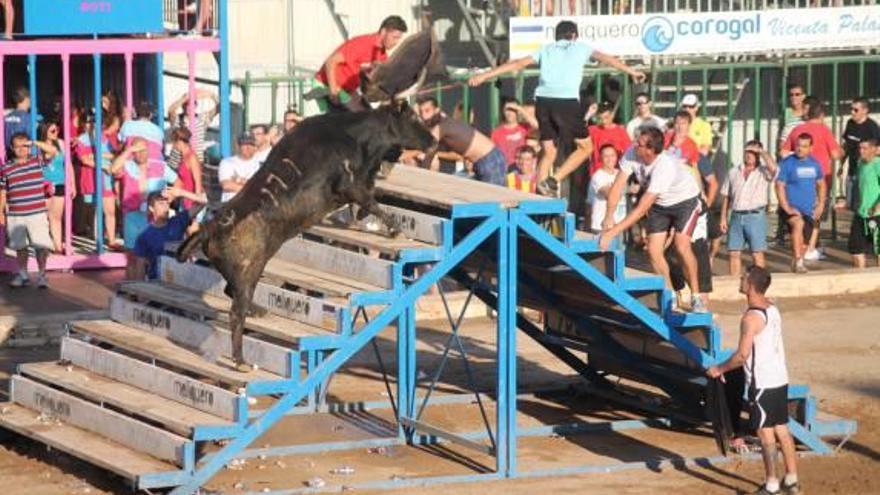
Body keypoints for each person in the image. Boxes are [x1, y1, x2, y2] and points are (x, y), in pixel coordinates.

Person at [467, 20, 645, 196]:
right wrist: (631, 71)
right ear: (574, 35)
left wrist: (484, 76)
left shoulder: (546, 49)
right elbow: (606, 58)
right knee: (586, 148)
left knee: (549, 151)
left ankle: (539, 194)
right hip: (566, 101)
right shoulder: (580, 47)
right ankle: (553, 180)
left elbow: (518, 64)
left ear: (556, 36)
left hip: (543, 101)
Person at [708, 265, 801, 495]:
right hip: (779, 378)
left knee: (765, 432)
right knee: (781, 428)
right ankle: (791, 480)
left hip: (762, 383)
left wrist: (719, 369)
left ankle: (771, 485)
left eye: (743, 278)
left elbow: (741, 355)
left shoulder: (751, 317)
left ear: (750, 285)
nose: (740, 280)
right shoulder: (773, 309)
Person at [599, 127, 707, 312]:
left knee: (682, 245)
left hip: (685, 202)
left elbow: (641, 208)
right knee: (653, 250)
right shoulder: (631, 154)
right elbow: (617, 187)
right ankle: (670, 295)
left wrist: (613, 232)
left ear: (650, 151)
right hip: (660, 204)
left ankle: (696, 296)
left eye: (639, 144)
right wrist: (608, 216)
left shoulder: (664, 167)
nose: (634, 145)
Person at [782, 97, 842, 261]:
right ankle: (809, 249)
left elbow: (784, 152)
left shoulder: (798, 130)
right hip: (819, 178)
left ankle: (801, 249)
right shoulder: (824, 130)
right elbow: (836, 154)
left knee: (799, 216)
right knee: (816, 214)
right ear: (821, 113)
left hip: (797, 179)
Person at [313, 15, 408, 113]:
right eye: (395, 37)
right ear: (383, 32)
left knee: (368, 117)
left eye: (399, 39)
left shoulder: (382, 56)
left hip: (347, 90)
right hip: (326, 85)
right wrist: (333, 92)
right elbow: (331, 62)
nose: (396, 42)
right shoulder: (363, 43)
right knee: (354, 121)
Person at [110, 138, 182, 265]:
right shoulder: (128, 165)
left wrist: (170, 198)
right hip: (133, 215)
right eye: (137, 151)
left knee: (155, 254)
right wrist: (129, 150)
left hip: (155, 216)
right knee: (132, 256)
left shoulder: (159, 166)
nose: (141, 153)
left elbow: (178, 182)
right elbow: (113, 169)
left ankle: (153, 281)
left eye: (143, 150)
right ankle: (132, 283)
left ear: (148, 150)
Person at [544, 101, 632, 194]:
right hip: (597, 173)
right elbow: (578, 129)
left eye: (606, 117)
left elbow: (628, 152)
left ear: (612, 115)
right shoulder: (594, 130)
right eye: (600, 118)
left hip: (615, 174)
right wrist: (588, 114)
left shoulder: (621, 132)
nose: (603, 120)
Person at [1, 133, 53, 288]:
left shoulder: (36, 161)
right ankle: (23, 274)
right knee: (20, 247)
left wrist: (34, 142)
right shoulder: (6, 168)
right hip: (16, 214)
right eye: (18, 146)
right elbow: (3, 191)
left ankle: (42, 275)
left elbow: (52, 151)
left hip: (37, 212)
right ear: (12, 148)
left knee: (41, 246)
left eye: (25, 146)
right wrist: (1, 212)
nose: (22, 149)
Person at [417, 97, 507, 186]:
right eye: (421, 112)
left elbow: (428, 156)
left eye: (427, 111)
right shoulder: (444, 121)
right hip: (485, 160)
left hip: (490, 160)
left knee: (491, 198)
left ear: (436, 110)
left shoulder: (440, 128)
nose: (424, 116)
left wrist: (420, 179)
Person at [720, 140, 778, 276]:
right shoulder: (733, 172)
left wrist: (762, 152)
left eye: (753, 152)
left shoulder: (763, 172)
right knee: (733, 252)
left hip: (755, 216)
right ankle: (734, 284)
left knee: (757, 253)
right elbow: (726, 196)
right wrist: (723, 218)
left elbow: (775, 169)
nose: (749, 155)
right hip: (736, 215)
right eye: (747, 151)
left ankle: (760, 284)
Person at [776, 133, 826, 274]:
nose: (800, 149)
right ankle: (798, 261)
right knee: (798, 224)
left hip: (808, 210)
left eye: (804, 146)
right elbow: (779, 185)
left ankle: (797, 262)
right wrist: (785, 206)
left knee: (804, 244)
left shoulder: (815, 164)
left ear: (811, 148)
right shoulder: (787, 163)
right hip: (791, 209)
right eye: (798, 145)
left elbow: (821, 184)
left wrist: (821, 204)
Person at [130, 189, 206, 281]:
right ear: (151, 208)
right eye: (161, 204)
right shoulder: (144, 236)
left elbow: (204, 202)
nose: (166, 207)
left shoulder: (178, 221)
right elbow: (140, 269)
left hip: (180, 278)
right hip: (157, 282)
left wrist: (181, 193)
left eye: (167, 204)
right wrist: (140, 292)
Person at [75, 113, 122, 249]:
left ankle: (111, 239)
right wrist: (103, 164)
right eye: (90, 122)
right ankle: (98, 240)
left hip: (106, 179)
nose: (93, 124)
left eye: (96, 122)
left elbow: (114, 155)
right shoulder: (82, 139)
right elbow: (84, 159)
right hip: (92, 179)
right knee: (95, 210)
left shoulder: (105, 139)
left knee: (110, 211)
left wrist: (97, 156)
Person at [841, 97, 880, 210]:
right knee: (851, 206)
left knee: (863, 207)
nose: (852, 112)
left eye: (855, 110)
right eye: (851, 109)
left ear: (865, 110)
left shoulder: (872, 127)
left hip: (866, 173)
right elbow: (847, 145)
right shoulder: (850, 123)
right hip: (852, 171)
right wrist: (842, 164)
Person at [847, 138, 880, 268]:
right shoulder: (860, 164)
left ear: (874, 149)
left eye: (865, 148)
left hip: (876, 215)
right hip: (861, 214)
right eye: (860, 148)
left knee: (878, 250)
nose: (861, 151)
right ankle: (860, 278)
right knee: (856, 249)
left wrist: (876, 206)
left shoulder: (878, 164)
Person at [35, 121, 68, 253]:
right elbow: (49, 154)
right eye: (52, 131)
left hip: (60, 182)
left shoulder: (61, 143)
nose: (56, 133)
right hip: (45, 183)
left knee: (56, 217)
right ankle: (45, 245)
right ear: (44, 133)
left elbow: (68, 164)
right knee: (44, 217)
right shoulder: (38, 146)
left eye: (57, 130)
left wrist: (72, 183)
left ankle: (58, 246)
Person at [166, 89, 220, 165]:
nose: (189, 107)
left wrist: (212, 95)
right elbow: (171, 110)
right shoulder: (177, 119)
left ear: (196, 106)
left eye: (192, 104)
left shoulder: (202, 118)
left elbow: (219, 108)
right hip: (178, 162)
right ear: (182, 106)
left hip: (196, 161)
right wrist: (184, 98)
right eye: (186, 105)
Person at [587, 144, 626, 233]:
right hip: (602, 225)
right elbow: (610, 194)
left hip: (620, 224)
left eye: (612, 155)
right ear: (600, 158)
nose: (610, 159)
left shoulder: (620, 173)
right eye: (606, 156)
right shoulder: (598, 176)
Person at [491, 99, 538, 165]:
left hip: (521, 167)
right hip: (504, 168)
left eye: (513, 110)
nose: (509, 113)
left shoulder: (524, 128)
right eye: (507, 110)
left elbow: (536, 125)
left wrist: (519, 109)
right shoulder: (496, 132)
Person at [218, 132, 262, 202]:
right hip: (231, 204)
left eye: (251, 144)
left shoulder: (260, 165)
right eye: (244, 144)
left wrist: (238, 180)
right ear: (238, 146)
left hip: (252, 205)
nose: (248, 147)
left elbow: (261, 187)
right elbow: (226, 185)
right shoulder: (227, 162)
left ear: (255, 147)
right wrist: (251, 188)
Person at [119, 101, 165, 166]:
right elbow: (161, 149)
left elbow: (120, 146)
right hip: (155, 166)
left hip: (131, 165)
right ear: (150, 115)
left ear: (135, 113)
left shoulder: (127, 125)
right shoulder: (159, 131)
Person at [169, 127, 203, 210]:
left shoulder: (192, 157)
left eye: (174, 143)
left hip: (192, 202)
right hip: (185, 199)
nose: (173, 145)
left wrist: (197, 203)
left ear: (179, 142)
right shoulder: (183, 157)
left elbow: (198, 182)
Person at [777, 83, 807, 155]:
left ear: (803, 96)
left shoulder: (807, 111)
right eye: (791, 95)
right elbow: (781, 133)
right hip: (790, 153)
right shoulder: (786, 112)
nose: (794, 97)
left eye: (797, 94)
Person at [5, 87, 31, 151]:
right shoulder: (28, 117)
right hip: (22, 152)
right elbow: (31, 138)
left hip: (7, 152)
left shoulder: (6, 117)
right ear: (26, 99)